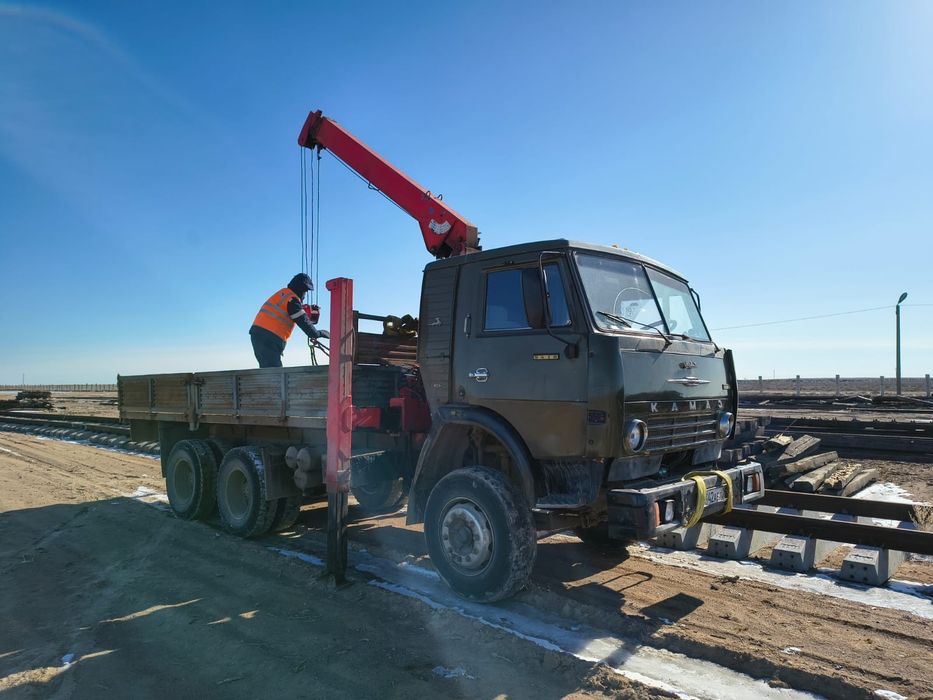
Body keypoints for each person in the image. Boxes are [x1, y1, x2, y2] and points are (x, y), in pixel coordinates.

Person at [249, 273, 329, 368]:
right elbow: (308, 328)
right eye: (305, 291)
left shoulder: (284, 295)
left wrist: (304, 310)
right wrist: (321, 333)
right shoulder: (292, 301)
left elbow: (289, 312)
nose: (304, 295)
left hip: (261, 335)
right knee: (274, 374)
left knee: (269, 370)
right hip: (269, 338)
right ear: (301, 289)